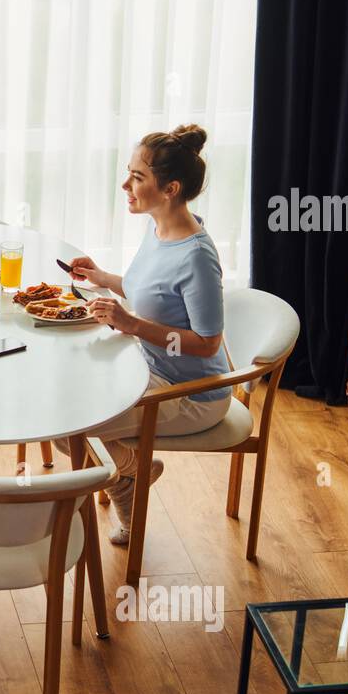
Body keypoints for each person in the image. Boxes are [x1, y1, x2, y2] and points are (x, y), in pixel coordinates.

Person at [64, 124, 230, 545]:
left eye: (137, 177)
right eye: (129, 173)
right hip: (146, 365)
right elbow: (149, 291)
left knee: (69, 424)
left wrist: (132, 324)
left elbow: (209, 342)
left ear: (170, 188)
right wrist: (99, 276)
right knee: (58, 394)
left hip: (190, 392)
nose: (126, 185)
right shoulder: (159, 228)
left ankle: (129, 469)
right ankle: (131, 470)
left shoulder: (197, 256)